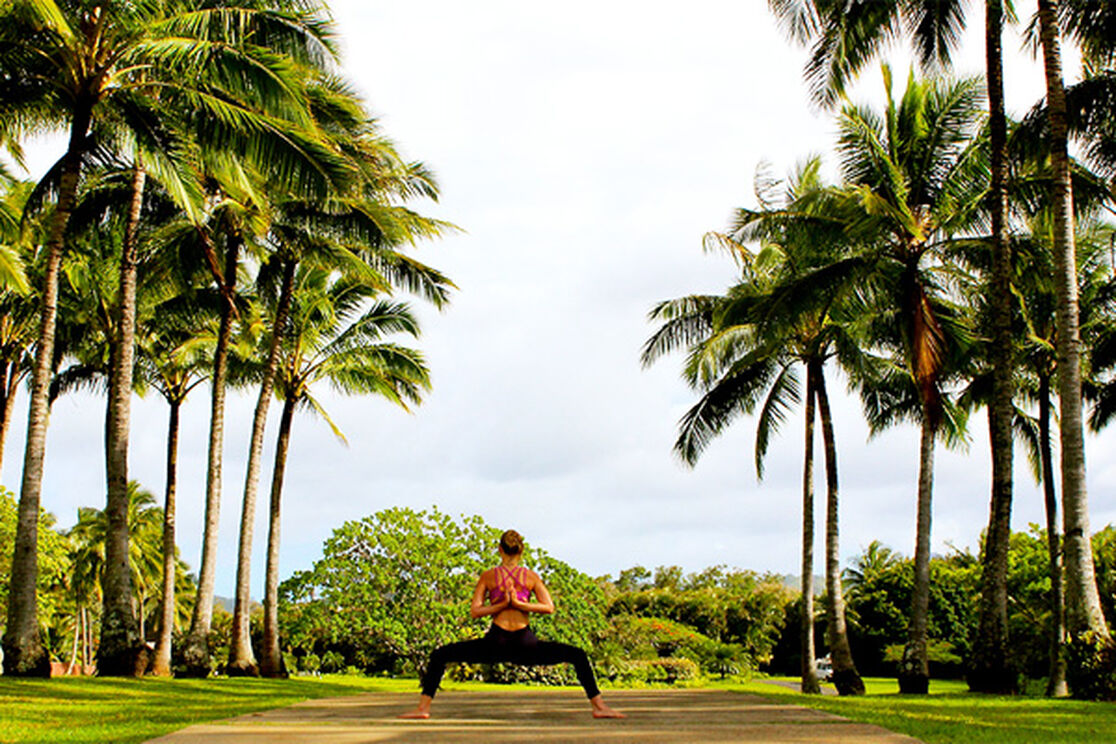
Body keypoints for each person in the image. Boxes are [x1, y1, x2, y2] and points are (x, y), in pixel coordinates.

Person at [398, 529, 624, 719]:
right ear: (521, 551)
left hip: (496, 642)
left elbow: (476, 611)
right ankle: (599, 707)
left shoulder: (489, 576)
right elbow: (549, 607)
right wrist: (519, 604)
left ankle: (423, 708)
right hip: (525, 642)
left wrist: (503, 605)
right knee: (578, 655)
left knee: (440, 655)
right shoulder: (530, 576)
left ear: (500, 549)